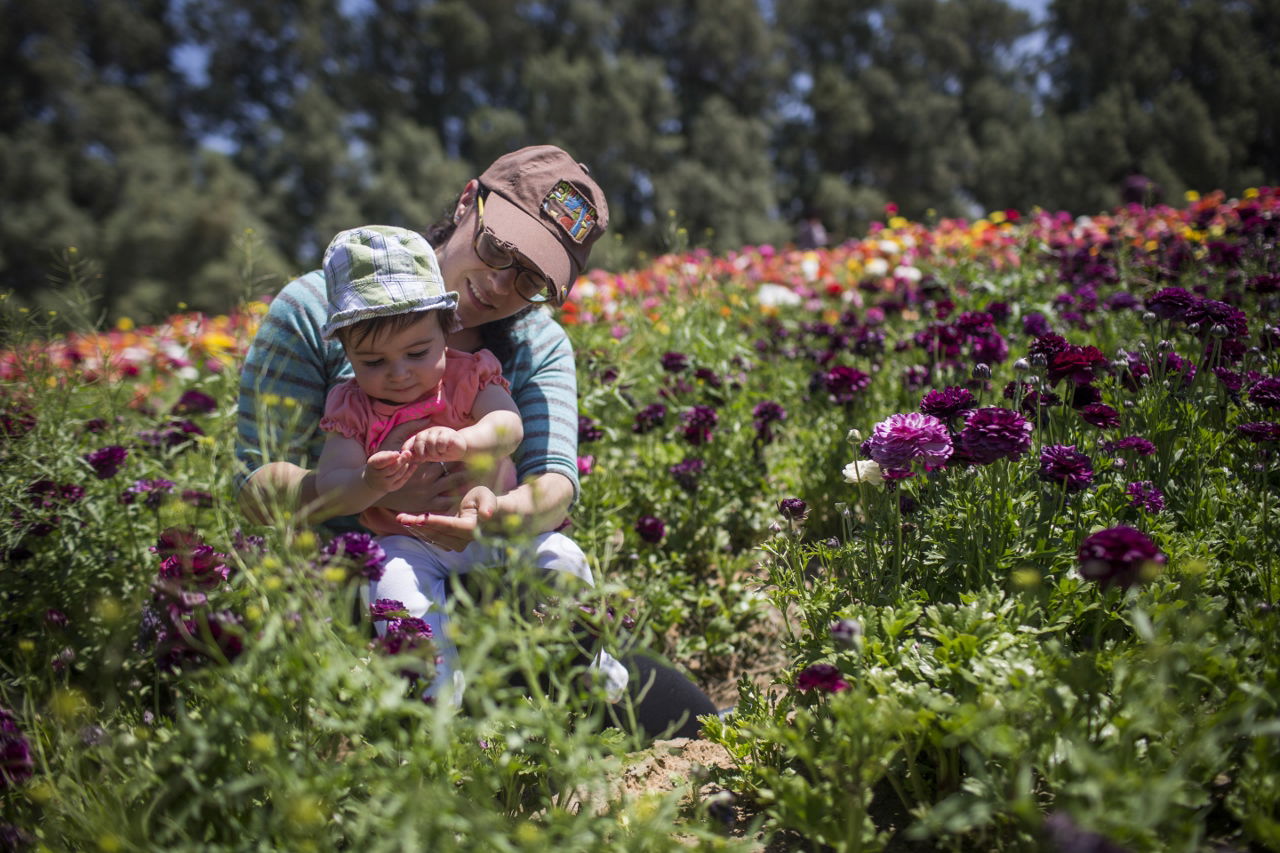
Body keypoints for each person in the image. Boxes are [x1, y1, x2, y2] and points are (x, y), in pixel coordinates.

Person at [234, 145, 717, 737]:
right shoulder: (315, 310)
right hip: (353, 585)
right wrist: (358, 488)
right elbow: (253, 485)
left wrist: (491, 514)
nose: (499, 285)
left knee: (662, 700)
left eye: (532, 279)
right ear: (468, 202)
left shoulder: (536, 345)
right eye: (497, 248)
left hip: (496, 574)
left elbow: (555, 486)